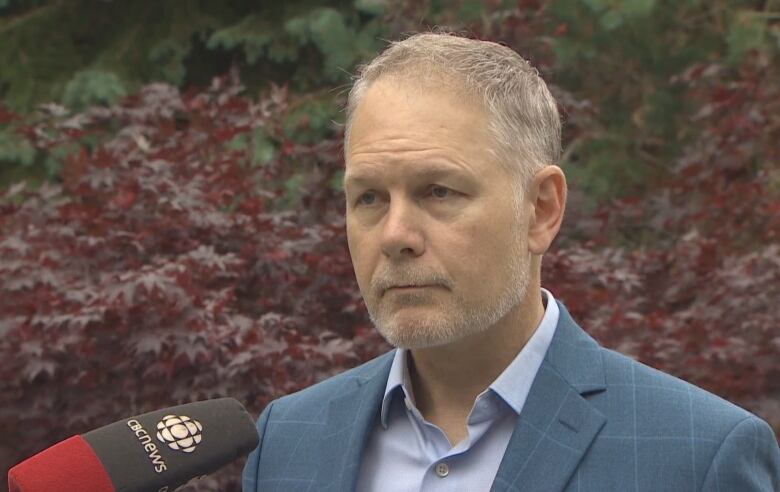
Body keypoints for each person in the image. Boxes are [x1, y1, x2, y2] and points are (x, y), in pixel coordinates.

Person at [242, 32, 780, 491]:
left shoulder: (698, 457)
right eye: (369, 198)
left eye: (438, 192)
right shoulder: (287, 443)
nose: (396, 235)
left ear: (541, 210)